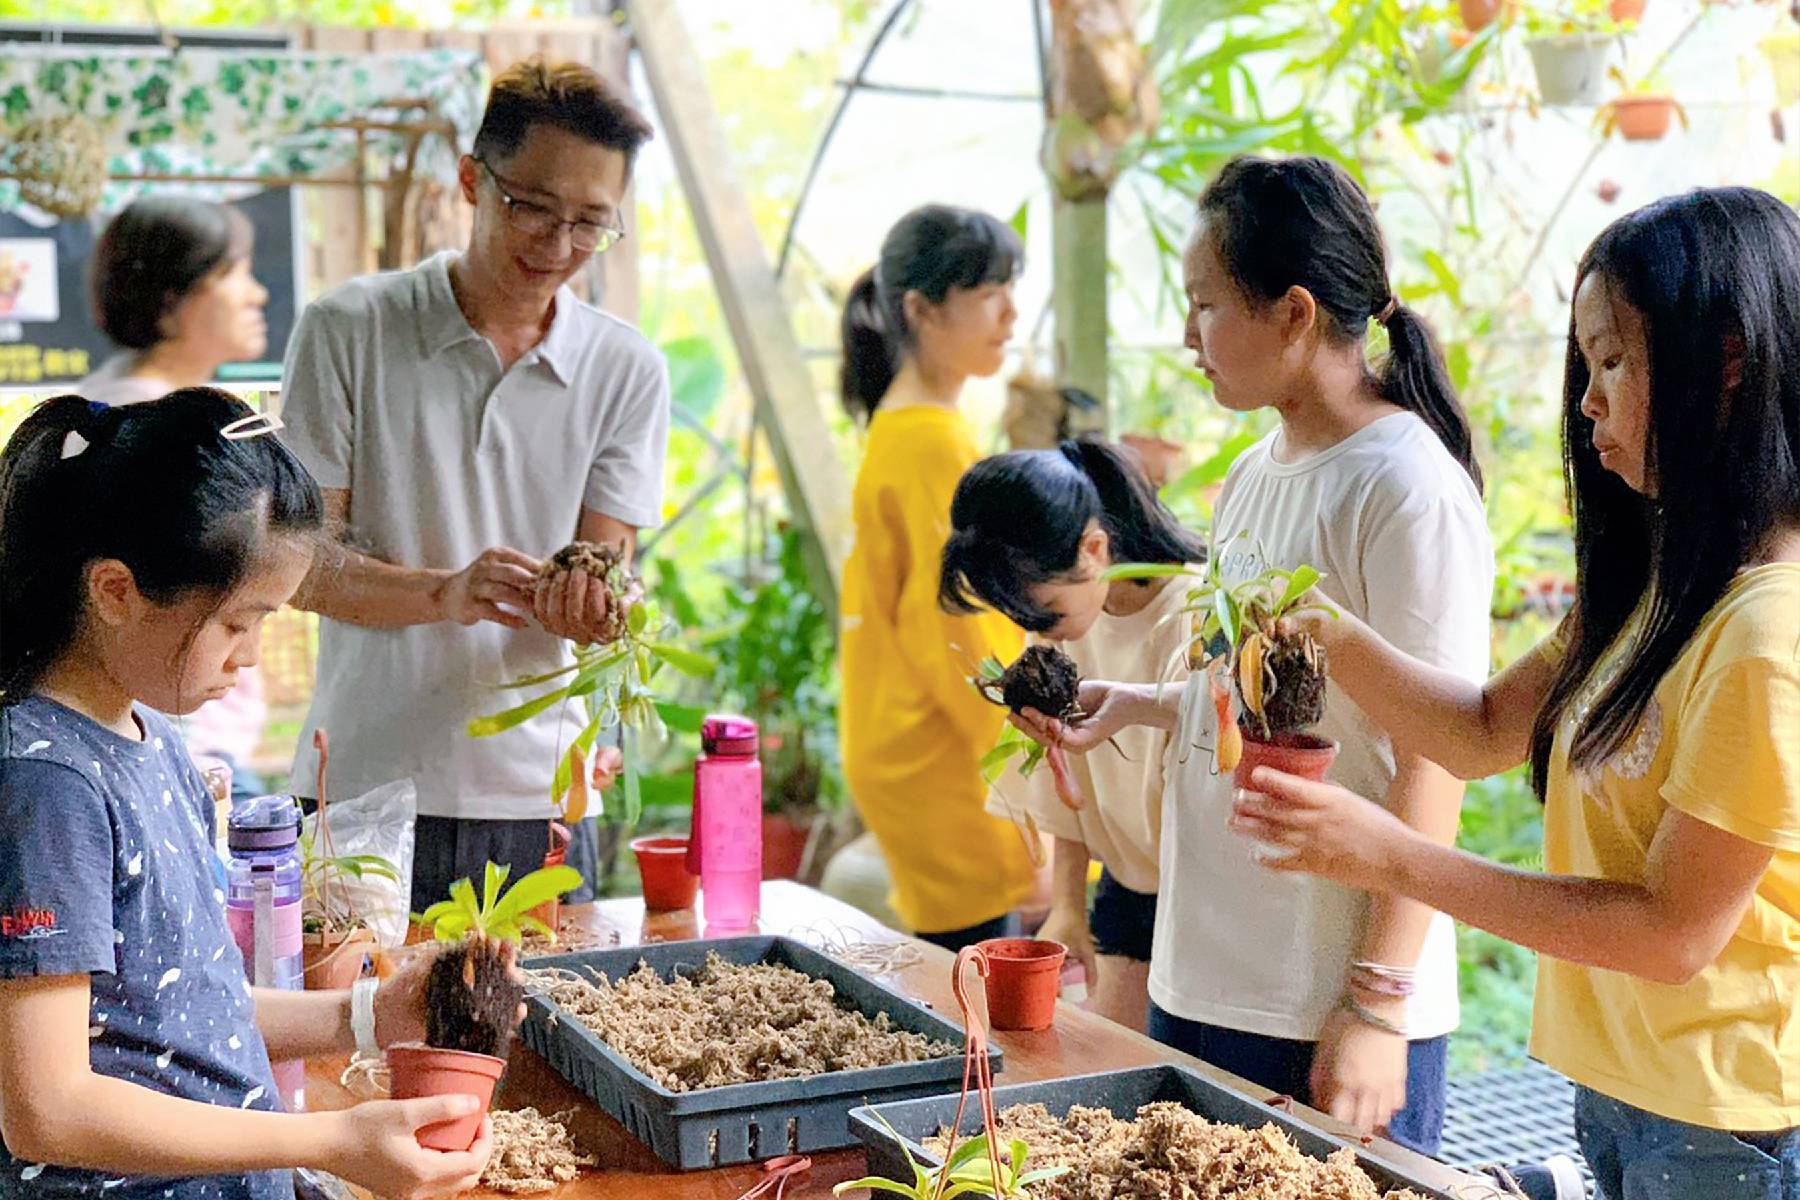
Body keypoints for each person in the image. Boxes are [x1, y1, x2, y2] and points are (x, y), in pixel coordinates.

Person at [1233, 187, 1800, 1200]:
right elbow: (1487, 730)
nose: (1586, 402)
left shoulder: (1768, 635)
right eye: (1584, 366)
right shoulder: (1664, 582)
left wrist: (1398, 858)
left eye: (1613, 362)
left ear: (1727, 364)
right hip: (1629, 1092)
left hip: (1733, 1118)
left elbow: (1674, 933)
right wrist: (1327, 631)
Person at [1016, 155, 1493, 1155]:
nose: (1189, 336)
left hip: (1318, 1001)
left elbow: (1438, 755)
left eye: (1205, 306)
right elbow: (1244, 696)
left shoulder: (1403, 485)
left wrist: (1376, 1004)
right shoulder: (1248, 474)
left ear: (1294, 314)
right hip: (1206, 974)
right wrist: (1139, 704)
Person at [0, 388, 492, 1199]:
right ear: (116, 591)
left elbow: (187, 1006)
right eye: (238, 623)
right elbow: (48, 1108)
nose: (254, 656)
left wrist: (365, 1016)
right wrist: (331, 1139)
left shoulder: (150, 738)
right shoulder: (49, 784)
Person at [279, 59, 666, 910]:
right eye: (532, 207)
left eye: (592, 224)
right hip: (361, 790)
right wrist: (443, 592)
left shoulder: (626, 370)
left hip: (542, 801)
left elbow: (611, 571)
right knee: (349, 1039)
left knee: (543, 1041)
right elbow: (298, 565)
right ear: (471, 180)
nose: (558, 246)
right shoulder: (350, 330)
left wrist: (598, 608)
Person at [939, 438, 1205, 1030]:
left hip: (1207, 904)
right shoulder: (1066, 625)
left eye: (1043, 614)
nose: (1036, 632)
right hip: (1129, 886)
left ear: (1094, 549)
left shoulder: (1194, 611)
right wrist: (1066, 908)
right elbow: (1069, 776)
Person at [838, 204, 1036, 952]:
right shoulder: (928, 444)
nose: (1011, 311)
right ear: (921, 309)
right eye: (989, 291)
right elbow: (959, 626)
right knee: (983, 1023)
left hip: (922, 754)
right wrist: (1027, 783)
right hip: (951, 769)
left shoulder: (908, 428)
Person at [79, 196, 276, 798]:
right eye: (233, 273)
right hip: (182, 744)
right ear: (173, 300)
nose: (257, 294)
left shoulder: (134, 401)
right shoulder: (144, 421)